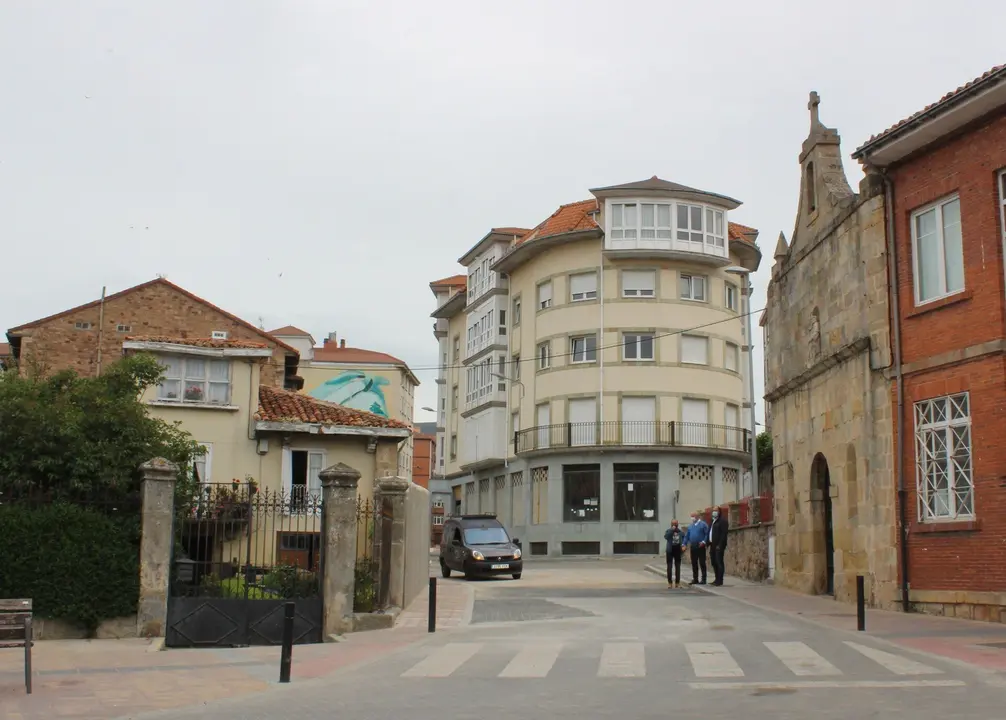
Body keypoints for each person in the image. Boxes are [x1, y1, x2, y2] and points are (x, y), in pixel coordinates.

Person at [684, 511, 709, 585]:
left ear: (697, 516)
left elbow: (707, 534)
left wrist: (704, 542)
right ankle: (695, 579)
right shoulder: (690, 526)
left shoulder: (703, 524)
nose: (692, 518)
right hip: (693, 545)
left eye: (693, 516)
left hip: (700, 545)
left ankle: (703, 579)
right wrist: (684, 544)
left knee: (702, 562)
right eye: (691, 516)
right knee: (694, 563)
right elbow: (687, 536)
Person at [709, 506, 730, 586]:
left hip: (718, 545)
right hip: (712, 545)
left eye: (716, 510)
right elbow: (710, 532)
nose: (714, 512)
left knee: (719, 562)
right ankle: (716, 578)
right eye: (713, 511)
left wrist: (720, 545)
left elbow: (724, 534)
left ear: (719, 511)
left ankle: (720, 580)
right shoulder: (713, 521)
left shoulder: (722, 521)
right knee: (713, 562)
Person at [663, 519, 685, 588]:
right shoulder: (668, 531)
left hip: (677, 550)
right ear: (671, 524)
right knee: (669, 567)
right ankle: (670, 582)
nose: (674, 525)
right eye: (673, 523)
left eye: (675, 523)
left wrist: (683, 546)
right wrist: (672, 530)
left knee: (678, 567)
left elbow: (684, 539)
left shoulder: (680, 532)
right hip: (670, 550)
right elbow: (666, 537)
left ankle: (677, 582)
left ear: (677, 524)